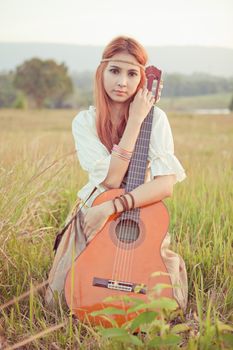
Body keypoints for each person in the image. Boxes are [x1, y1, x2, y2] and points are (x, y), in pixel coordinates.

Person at [45, 36, 188, 312]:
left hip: (138, 210)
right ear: (102, 72)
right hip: (94, 210)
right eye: (115, 71)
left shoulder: (156, 119)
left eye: (132, 73)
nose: (122, 81)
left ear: (142, 80)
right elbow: (110, 181)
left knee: (164, 303)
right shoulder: (85, 122)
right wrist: (134, 122)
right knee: (61, 301)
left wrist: (115, 205)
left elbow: (165, 185)